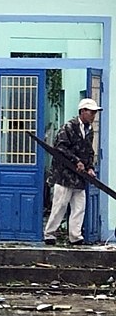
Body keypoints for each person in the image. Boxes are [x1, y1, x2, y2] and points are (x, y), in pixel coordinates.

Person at [43, 98, 102, 245]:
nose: (93, 115)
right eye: (91, 112)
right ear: (82, 111)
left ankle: (75, 236)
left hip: (79, 176)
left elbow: (89, 151)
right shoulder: (68, 127)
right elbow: (60, 148)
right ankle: (49, 234)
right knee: (60, 205)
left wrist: (89, 167)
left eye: (95, 112)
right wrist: (77, 161)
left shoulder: (89, 130)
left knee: (79, 206)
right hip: (64, 174)